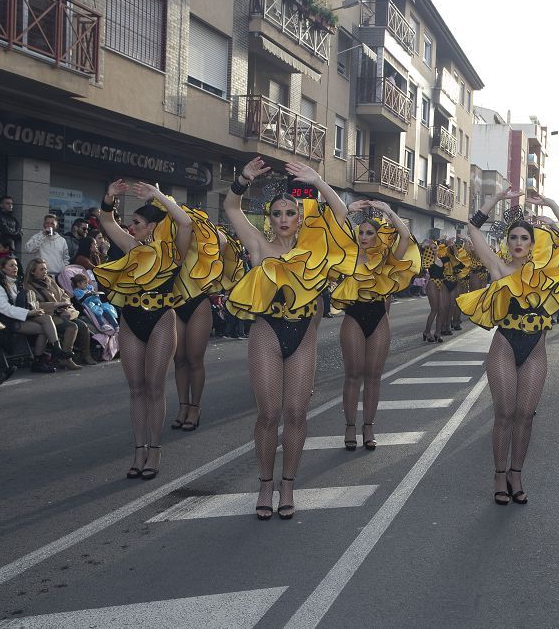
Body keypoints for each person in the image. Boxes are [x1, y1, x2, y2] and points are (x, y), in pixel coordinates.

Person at [224, 158, 357, 520]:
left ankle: (288, 485)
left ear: (300, 218)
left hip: (304, 332)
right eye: (277, 213)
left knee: (297, 412)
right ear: (270, 218)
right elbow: (230, 207)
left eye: (291, 213)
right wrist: (243, 179)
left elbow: (341, 215)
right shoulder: (256, 245)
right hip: (267, 329)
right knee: (269, 413)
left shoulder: (315, 250)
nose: (284, 218)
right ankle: (265, 484)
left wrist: (318, 181)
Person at [458, 190, 559, 503]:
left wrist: (551, 203)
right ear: (507, 242)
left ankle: (516, 473)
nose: (518, 242)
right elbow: (473, 229)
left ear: (532, 243)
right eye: (513, 237)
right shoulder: (498, 268)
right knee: (504, 414)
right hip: (505, 343)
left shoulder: (546, 271)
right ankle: (499, 475)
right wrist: (494, 200)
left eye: (525, 237)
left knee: (526, 414)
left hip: (535, 344)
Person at [93, 180, 194, 481]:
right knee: (136, 388)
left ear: (151, 226)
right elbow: (107, 220)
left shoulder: (175, 250)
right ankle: (139, 449)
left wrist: (158, 195)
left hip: (162, 317)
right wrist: (109, 196)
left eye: (136, 222)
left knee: (155, 386)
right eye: (131, 222)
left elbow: (185, 221)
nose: (131, 226)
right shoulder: (130, 247)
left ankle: (155, 448)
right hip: (131, 318)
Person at [332, 200, 419, 452]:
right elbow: (329, 229)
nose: (364, 237)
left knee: (373, 377)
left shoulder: (386, 258)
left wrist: (388, 211)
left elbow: (405, 236)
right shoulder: (345, 255)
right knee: (352, 375)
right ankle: (350, 426)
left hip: (379, 316)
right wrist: (347, 209)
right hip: (353, 316)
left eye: (370, 232)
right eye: (361, 232)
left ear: (378, 235)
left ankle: (368, 426)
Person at [169, 207, 243, 433]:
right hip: (175, 304)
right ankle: (182, 406)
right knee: (179, 359)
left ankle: (195, 407)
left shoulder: (208, 244)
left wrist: (205, 228)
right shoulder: (173, 243)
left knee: (194, 359)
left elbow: (223, 243)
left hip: (198, 304)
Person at [0, 256, 72, 373]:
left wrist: (34, 309)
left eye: (16, 265)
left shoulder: (17, 282)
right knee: (44, 328)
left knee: (46, 318)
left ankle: (55, 349)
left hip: (23, 316)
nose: (15, 268)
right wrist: (29, 312)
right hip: (8, 321)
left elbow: (24, 301)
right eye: (11, 266)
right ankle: (39, 361)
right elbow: (4, 308)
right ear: (3, 269)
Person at [23, 258, 91, 369]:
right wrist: (56, 305)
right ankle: (65, 359)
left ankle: (85, 355)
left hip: (62, 312)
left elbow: (64, 294)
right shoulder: (28, 286)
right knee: (71, 327)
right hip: (46, 315)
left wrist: (65, 304)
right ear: (33, 272)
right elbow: (35, 304)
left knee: (83, 326)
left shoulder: (50, 281)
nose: (45, 271)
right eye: (41, 269)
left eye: (45, 269)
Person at [420, 238, 448, 342]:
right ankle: (427, 332)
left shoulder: (442, 259)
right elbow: (420, 254)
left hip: (442, 283)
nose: (434, 250)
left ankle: (438, 332)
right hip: (432, 283)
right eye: (431, 249)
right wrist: (423, 246)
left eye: (435, 247)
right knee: (435, 309)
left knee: (443, 308)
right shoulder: (428, 260)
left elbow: (454, 256)